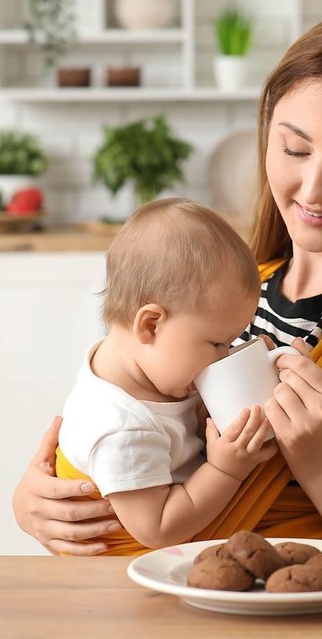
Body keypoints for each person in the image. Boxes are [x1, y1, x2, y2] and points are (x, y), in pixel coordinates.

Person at [12, 15, 322, 557]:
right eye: (295, 150)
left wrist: (320, 458)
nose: (315, 188)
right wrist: (38, 501)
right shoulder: (235, 290)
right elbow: (134, 434)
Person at [56, 197, 277, 554]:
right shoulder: (120, 427)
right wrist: (227, 469)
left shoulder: (145, 365)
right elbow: (158, 529)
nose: (222, 357)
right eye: (218, 343)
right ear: (151, 325)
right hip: (124, 577)